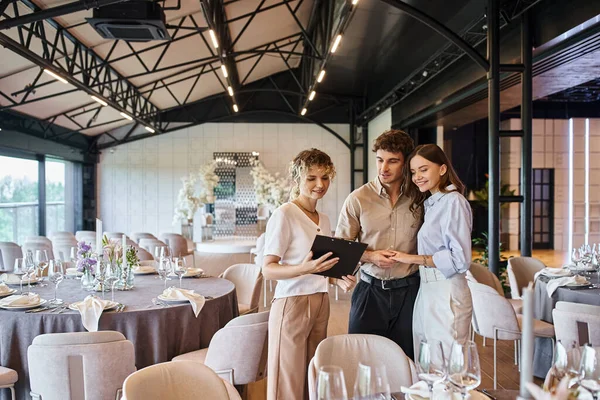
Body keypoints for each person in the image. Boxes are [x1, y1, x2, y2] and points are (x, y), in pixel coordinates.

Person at [262, 149, 356, 400]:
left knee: (313, 375)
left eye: (325, 177)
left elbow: (320, 267)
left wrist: (338, 279)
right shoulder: (284, 214)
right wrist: (305, 268)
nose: (320, 184)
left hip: (321, 301)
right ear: (297, 180)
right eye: (311, 178)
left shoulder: (323, 219)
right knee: (288, 381)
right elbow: (268, 268)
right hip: (292, 302)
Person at [335, 129, 422, 360]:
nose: (384, 168)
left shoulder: (420, 198)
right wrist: (370, 256)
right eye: (380, 160)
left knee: (407, 362)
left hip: (411, 292)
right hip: (370, 292)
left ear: (405, 164)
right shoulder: (358, 198)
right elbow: (342, 245)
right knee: (363, 360)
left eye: (393, 161)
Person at [390, 144, 473, 354]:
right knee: (426, 359)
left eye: (424, 169)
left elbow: (460, 260)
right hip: (427, 288)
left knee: (446, 363)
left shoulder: (454, 202)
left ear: (442, 169)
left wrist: (411, 258)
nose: (417, 176)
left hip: (446, 289)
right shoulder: (433, 202)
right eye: (413, 171)